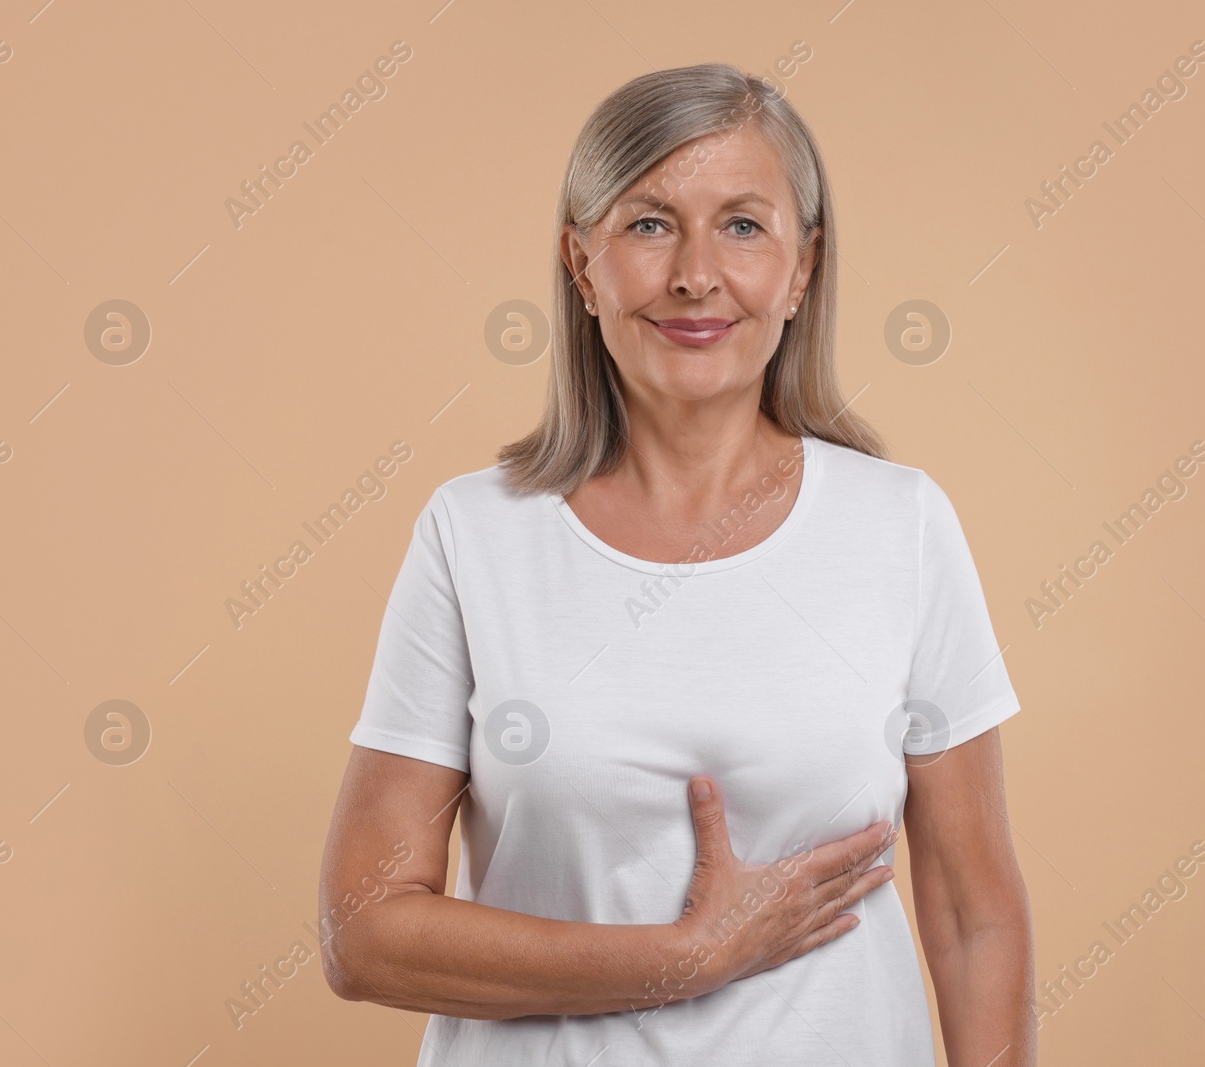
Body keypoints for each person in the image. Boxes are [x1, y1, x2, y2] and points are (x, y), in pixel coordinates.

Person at [319, 62, 1035, 1066]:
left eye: (743, 225)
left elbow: (974, 916)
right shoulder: (474, 534)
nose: (696, 273)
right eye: (649, 224)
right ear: (581, 266)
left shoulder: (898, 523)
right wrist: (682, 958)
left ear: (802, 270)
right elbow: (363, 931)